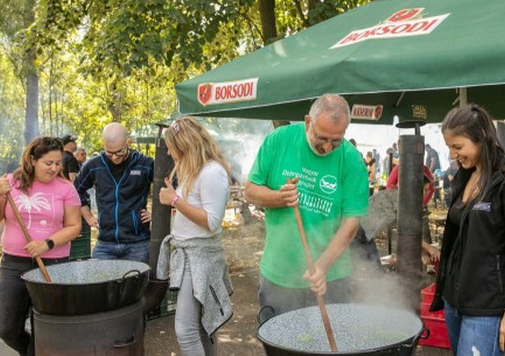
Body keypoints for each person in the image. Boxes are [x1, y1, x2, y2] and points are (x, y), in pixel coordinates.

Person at [244, 94, 369, 323]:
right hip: (279, 273)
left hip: (331, 277)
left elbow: (351, 223)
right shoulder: (279, 140)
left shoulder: (351, 160)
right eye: (322, 138)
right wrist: (278, 197)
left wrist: (322, 266)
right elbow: (250, 190)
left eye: (336, 140)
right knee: (280, 344)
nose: (328, 147)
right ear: (308, 122)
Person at [430, 105, 505, 356]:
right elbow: (468, 235)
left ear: (481, 136)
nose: (453, 154)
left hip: (487, 307)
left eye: (458, 147)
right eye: (449, 147)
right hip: (454, 300)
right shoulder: (466, 176)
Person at [0, 137, 82, 356]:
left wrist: (47, 244)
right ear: (33, 160)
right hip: (13, 263)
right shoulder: (11, 183)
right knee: (6, 327)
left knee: (45, 327)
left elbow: (74, 227)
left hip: (53, 264)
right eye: (48, 163)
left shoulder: (66, 189)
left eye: (58, 163)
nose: (54, 168)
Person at [156, 116, 233, 355]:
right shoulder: (195, 171)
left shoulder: (212, 172)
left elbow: (211, 221)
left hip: (200, 257)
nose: (168, 153)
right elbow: (196, 212)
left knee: (185, 329)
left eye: (171, 147)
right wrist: (178, 204)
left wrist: (176, 201)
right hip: (189, 254)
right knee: (203, 327)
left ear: (184, 145)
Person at [74, 122, 154, 263]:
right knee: (100, 283)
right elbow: (75, 190)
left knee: (137, 284)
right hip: (105, 243)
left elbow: (172, 187)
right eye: (109, 153)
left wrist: (156, 214)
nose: (115, 157)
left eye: (119, 152)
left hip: (138, 243)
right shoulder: (94, 166)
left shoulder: (145, 164)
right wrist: (87, 215)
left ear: (128, 142)